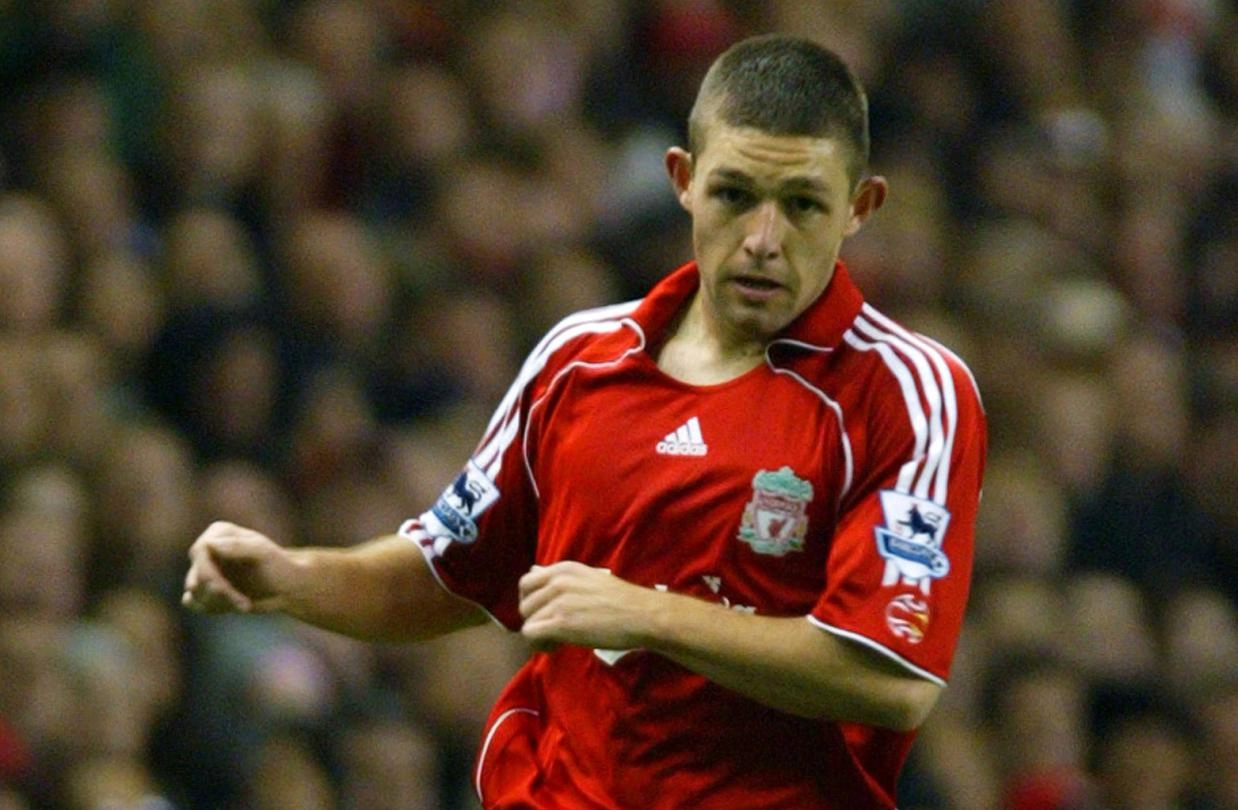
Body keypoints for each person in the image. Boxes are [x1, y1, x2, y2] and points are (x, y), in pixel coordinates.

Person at [182, 34, 987, 809]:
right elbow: (447, 573)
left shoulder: (909, 393)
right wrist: (288, 578)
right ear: (683, 179)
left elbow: (892, 678)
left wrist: (646, 613)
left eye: (803, 204)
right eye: (734, 195)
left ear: (860, 206)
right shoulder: (580, 359)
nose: (762, 240)